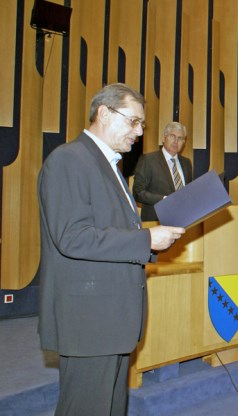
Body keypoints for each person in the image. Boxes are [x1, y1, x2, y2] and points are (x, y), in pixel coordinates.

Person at [37, 83, 186, 416]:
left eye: (142, 125)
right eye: (133, 121)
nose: (139, 132)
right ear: (103, 113)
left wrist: (151, 239)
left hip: (110, 319)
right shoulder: (68, 160)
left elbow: (111, 231)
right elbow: (72, 237)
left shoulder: (110, 166)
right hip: (90, 320)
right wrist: (146, 240)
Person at [133, 122, 193, 221]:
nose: (176, 141)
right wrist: (164, 200)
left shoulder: (187, 163)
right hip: (156, 221)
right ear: (163, 138)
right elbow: (137, 193)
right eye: (172, 136)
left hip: (183, 220)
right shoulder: (148, 160)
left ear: (184, 142)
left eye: (180, 138)